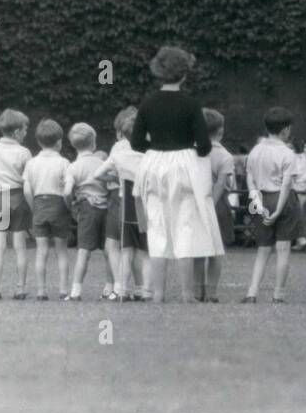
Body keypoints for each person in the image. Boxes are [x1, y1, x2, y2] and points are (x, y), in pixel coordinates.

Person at [130, 45, 222, 303]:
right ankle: (186, 294)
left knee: (157, 228)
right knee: (185, 228)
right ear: (184, 74)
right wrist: (185, 149)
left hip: (154, 166)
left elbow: (136, 142)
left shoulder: (147, 104)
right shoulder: (191, 104)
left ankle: (157, 294)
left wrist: (158, 148)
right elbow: (204, 146)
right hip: (184, 166)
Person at [242, 106, 305, 303]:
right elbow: (287, 184)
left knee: (263, 248)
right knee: (283, 248)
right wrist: (278, 210)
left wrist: (257, 201)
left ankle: (252, 293)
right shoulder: (287, 153)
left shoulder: (255, 150)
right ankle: (278, 294)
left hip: (261, 198)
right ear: (286, 130)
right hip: (282, 200)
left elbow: (250, 178)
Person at [96, 106, 148, 301]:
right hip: (139, 199)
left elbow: (103, 173)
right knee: (136, 246)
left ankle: (116, 285)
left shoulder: (118, 148)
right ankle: (139, 287)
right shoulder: (146, 147)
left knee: (113, 244)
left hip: (118, 198)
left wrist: (118, 179)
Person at [0, 109, 32, 300]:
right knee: (20, 245)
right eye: (25, 129)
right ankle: (20, 288)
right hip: (18, 197)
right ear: (16, 132)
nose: (26, 132)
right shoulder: (24, 152)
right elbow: (27, 179)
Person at [23, 118, 73, 301]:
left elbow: (27, 189)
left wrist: (33, 207)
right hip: (59, 204)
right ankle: (63, 290)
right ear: (59, 141)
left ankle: (41, 290)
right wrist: (68, 207)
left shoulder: (31, 163)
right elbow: (67, 190)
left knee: (41, 250)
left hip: (39, 203)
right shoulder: (64, 163)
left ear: (38, 141)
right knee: (61, 250)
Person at [65, 122, 109, 301]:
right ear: (94, 143)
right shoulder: (102, 163)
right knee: (109, 251)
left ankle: (76, 291)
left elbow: (67, 191)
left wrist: (71, 206)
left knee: (83, 251)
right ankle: (110, 288)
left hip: (86, 208)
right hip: (106, 208)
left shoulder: (73, 167)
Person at [196, 108, 235, 302]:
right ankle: (211, 293)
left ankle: (197, 291)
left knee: (197, 250)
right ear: (221, 131)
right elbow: (222, 182)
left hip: (196, 201)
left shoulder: (194, 151)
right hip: (218, 204)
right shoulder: (225, 156)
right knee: (217, 251)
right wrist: (211, 202)